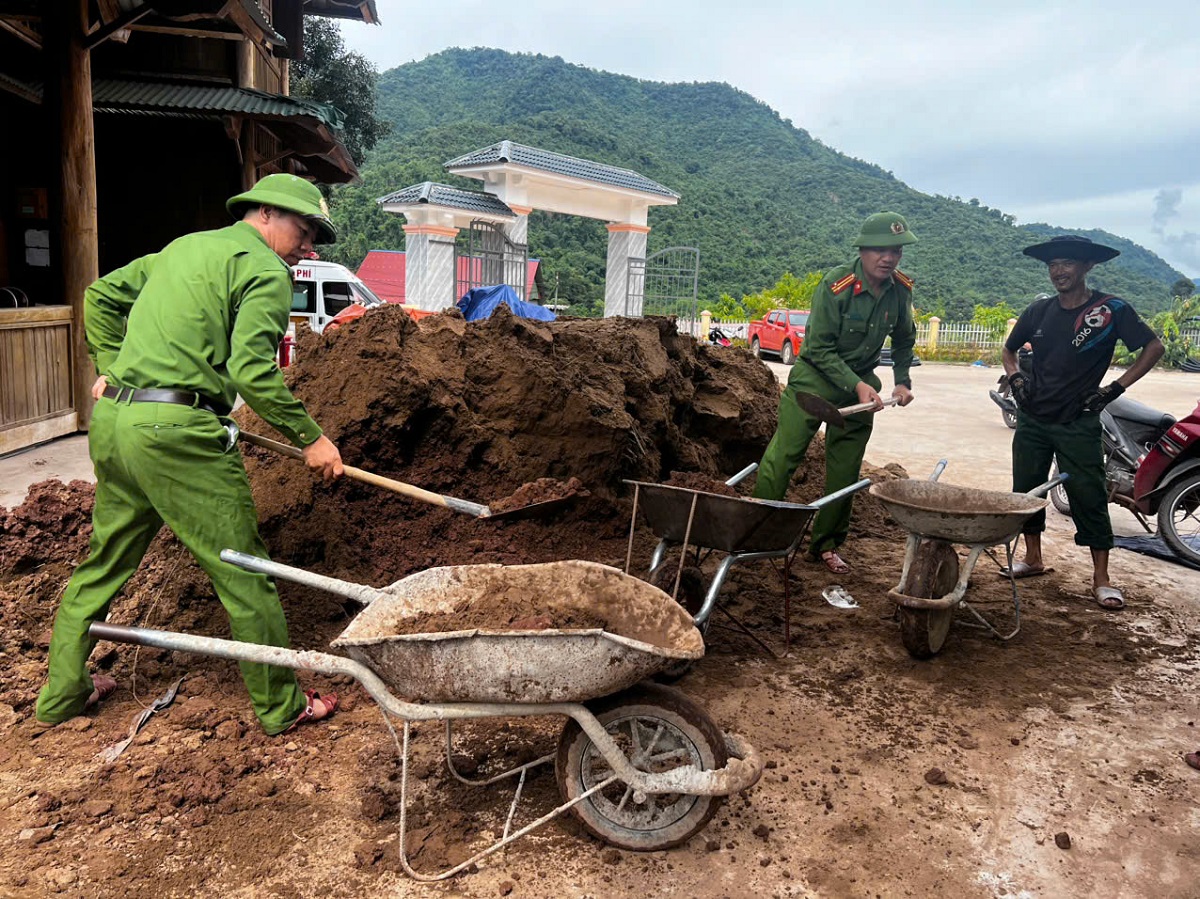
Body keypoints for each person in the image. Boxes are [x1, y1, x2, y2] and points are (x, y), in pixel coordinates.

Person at [35, 174, 346, 735]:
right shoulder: (264, 272)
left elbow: (99, 296)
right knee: (244, 569)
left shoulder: (184, 247)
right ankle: (282, 705)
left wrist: (110, 366)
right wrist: (311, 438)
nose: (309, 246)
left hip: (117, 426)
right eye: (305, 230)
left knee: (104, 562)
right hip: (178, 434)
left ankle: (62, 695)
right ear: (267, 213)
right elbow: (252, 371)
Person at [1001, 235, 1164, 610]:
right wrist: (1015, 378)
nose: (1058, 271)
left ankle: (1101, 578)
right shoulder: (1038, 311)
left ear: (1087, 266)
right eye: (1052, 264)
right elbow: (1009, 350)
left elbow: (1154, 347)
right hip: (1033, 419)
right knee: (1027, 490)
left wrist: (1113, 389)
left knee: (1088, 495)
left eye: (1067, 263)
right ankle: (1033, 557)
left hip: (1079, 421)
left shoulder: (1111, 310)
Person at [753, 211, 918, 574]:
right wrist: (858, 385)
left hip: (860, 390)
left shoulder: (901, 290)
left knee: (845, 470)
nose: (888, 258)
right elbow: (819, 349)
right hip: (814, 381)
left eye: (896, 250)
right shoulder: (836, 285)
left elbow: (905, 339)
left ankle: (826, 545)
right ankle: (756, 534)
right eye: (879, 250)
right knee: (784, 457)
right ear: (862, 250)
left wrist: (902, 381)